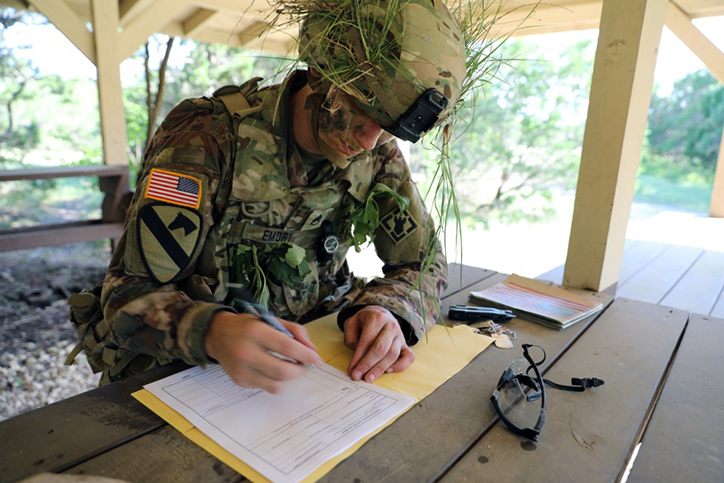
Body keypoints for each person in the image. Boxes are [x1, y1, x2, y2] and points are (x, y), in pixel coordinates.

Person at [68, 0, 467, 393]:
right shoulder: (207, 136)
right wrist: (212, 331)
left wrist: (388, 311)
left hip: (311, 371)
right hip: (188, 379)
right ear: (323, 71)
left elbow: (423, 263)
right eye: (362, 114)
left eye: (387, 128)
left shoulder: (379, 155)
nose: (368, 141)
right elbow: (126, 295)